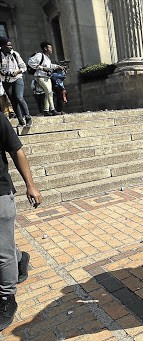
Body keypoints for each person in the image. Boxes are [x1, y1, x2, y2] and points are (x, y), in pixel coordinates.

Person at [0, 113, 42, 331]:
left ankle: (7, 298)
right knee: (5, 246)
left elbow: (17, 150)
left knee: (1, 252)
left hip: (0, 193)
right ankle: (20, 257)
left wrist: (30, 185)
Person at [0, 36, 32, 127]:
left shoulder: (15, 54)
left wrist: (17, 72)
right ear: (2, 46)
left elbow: (23, 67)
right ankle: (20, 120)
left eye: (11, 45)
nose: (11, 47)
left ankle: (28, 118)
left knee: (19, 97)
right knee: (13, 101)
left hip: (17, 78)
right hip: (5, 81)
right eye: (8, 45)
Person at [27, 41, 64, 116]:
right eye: (50, 48)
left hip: (47, 77)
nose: (51, 50)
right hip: (39, 77)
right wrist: (41, 67)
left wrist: (58, 66)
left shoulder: (47, 57)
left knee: (48, 93)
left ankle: (46, 111)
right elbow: (30, 62)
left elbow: (49, 66)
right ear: (45, 48)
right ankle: (53, 110)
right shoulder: (39, 55)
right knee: (49, 92)